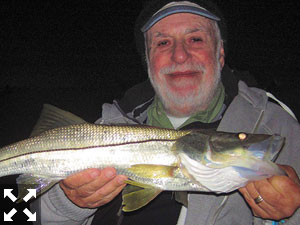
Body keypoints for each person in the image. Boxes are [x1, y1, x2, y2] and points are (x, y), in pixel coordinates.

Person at [31, 0, 300, 224]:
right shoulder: (103, 128)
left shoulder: (274, 126)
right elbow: (12, 214)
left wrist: (288, 214)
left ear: (220, 53)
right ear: (148, 61)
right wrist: (67, 203)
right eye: (162, 43)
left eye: (195, 39)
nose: (180, 55)